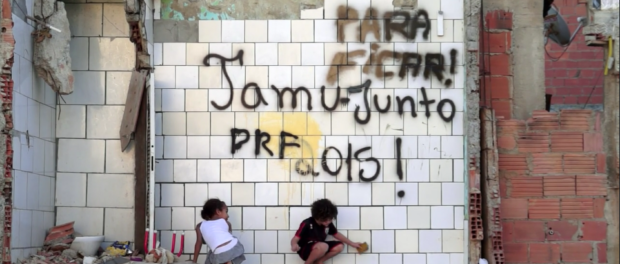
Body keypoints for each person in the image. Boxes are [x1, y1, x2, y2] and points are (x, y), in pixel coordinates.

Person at [290, 199, 362, 264]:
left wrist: (352, 243)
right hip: (305, 250)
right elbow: (295, 238)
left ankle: (319, 261)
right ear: (317, 217)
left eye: (330, 219)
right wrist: (294, 245)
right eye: (324, 220)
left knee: (340, 246)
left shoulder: (328, 224)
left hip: (320, 247)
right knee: (323, 246)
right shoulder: (307, 223)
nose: (328, 222)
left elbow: (336, 234)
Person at [192, 199, 245, 264]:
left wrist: (194, 260)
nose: (228, 215)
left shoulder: (199, 226)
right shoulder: (226, 222)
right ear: (218, 212)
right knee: (239, 255)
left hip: (219, 253)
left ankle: (226, 261)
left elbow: (198, 243)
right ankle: (230, 262)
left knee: (212, 254)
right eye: (226, 211)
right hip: (235, 246)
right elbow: (227, 238)